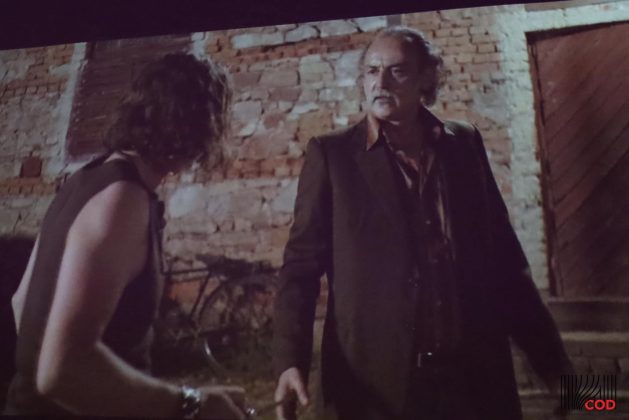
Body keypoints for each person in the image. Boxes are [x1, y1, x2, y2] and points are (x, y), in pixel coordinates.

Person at [272, 26, 572, 420]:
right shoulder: (333, 157)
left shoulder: (463, 145)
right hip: (378, 386)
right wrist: (290, 361)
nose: (380, 83)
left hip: (472, 379)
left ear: (425, 79)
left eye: (397, 71)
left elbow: (505, 265)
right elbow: (300, 268)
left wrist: (554, 366)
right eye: (372, 70)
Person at [5, 53, 246, 419]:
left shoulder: (86, 178)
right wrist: (192, 405)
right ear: (200, 125)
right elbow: (62, 370)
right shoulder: (122, 198)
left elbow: (22, 305)